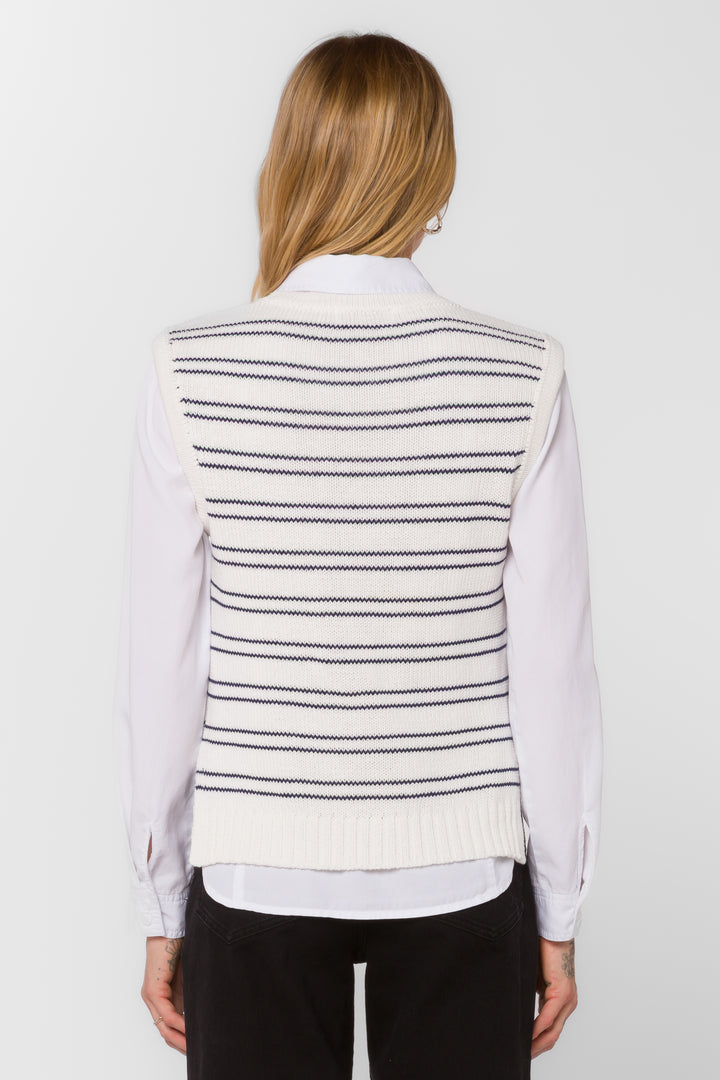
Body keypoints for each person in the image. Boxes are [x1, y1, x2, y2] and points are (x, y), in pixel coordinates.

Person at [113, 30, 603, 1080]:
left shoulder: (191, 372)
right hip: (467, 876)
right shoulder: (521, 374)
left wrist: (160, 900)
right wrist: (559, 910)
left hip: (253, 873)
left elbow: (163, 669)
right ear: (434, 171)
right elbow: (554, 676)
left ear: (291, 158)